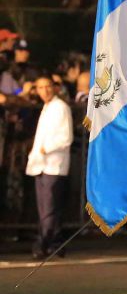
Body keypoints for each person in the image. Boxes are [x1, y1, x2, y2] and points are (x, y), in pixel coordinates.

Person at [26, 75, 73, 258]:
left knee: (49, 209)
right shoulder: (47, 108)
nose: (44, 91)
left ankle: (43, 243)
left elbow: (66, 137)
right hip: (41, 165)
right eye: (40, 87)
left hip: (53, 165)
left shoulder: (61, 108)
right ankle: (55, 244)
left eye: (47, 87)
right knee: (48, 209)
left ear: (54, 87)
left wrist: (46, 149)